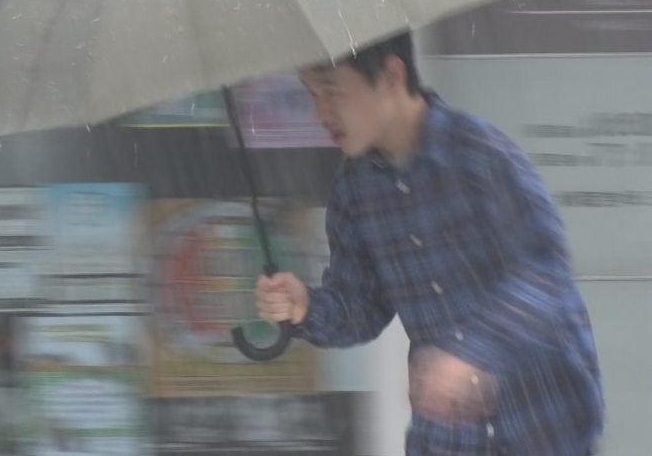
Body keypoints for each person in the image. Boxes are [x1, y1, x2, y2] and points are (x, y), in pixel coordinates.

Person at [256, 32, 603, 456]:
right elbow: (362, 309)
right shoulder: (354, 192)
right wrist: (306, 307)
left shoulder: (479, 152)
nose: (320, 113)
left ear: (391, 76)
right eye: (311, 95)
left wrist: (471, 353)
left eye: (331, 91)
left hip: (544, 423)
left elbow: (546, 276)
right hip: (449, 437)